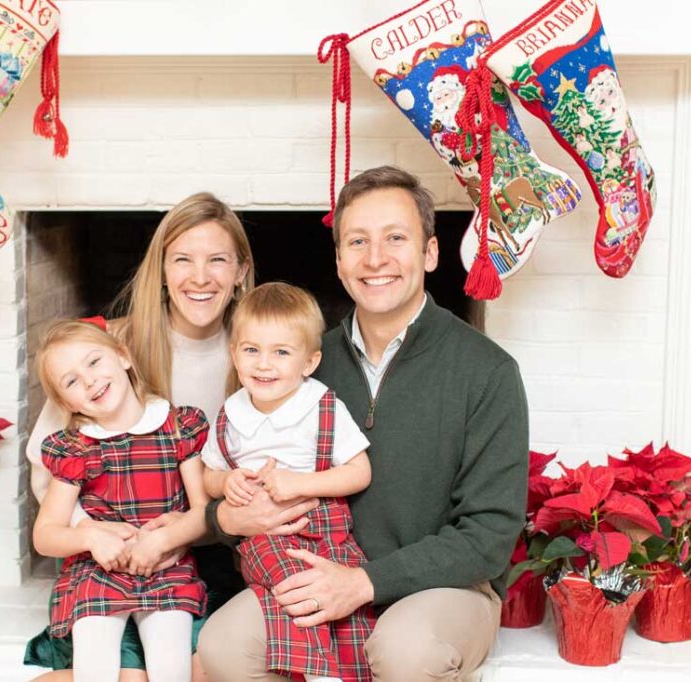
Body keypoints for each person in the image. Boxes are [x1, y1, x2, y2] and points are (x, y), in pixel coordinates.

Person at [198, 166, 529, 681]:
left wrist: (362, 582)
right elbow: (231, 476)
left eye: (396, 238)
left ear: (430, 252)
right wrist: (228, 519)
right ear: (338, 260)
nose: (375, 259)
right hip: (315, 566)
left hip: (440, 588)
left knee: (405, 650)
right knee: (221, 646)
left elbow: (488, 536)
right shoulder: (300, 362)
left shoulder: (486, 372)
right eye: (357, 241)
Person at [25, 193, 279, 681]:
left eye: (218, 260)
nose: (200, 277)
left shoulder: (261, 357)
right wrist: (95, 533)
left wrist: (181, 534)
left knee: (211, 667)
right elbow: (48, 469)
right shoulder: (106, 352)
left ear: (241, 270)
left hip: (211, 553)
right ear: (162, 269)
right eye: (183, 259)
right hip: (110, 556)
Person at [201, 282, 374, 682]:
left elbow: (359, 471)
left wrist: (300, 484)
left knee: (347, 606)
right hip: (267, 538)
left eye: (281, 352)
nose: (264, 364)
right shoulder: (231, 413)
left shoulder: (321, 406)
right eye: (251, 350)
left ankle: (350, 668)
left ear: (309, 362)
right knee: (293, 583)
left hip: (329, 530)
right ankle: (320, 674)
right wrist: (227, 482)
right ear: (234, 355)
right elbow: (208, 474)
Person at [33, 318, 210, 681]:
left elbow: (205, 512)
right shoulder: (76, 449)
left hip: (165, 569)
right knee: (94, 668)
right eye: (71, 381)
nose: (89, 380)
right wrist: (90, 536)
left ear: (123, 357)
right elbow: (45, 534)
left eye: (94, 362)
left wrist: (169, 539)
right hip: (98, 573)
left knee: (171, 668)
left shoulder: (177, 428)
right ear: (65, 401)